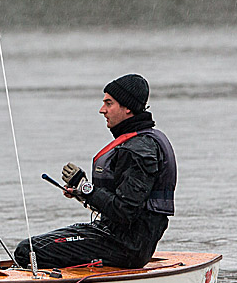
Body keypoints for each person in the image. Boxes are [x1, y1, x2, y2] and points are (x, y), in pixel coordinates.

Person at [14, 74, 176, 270]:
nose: (102, 110)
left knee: (27, 252)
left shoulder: (139, 150)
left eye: (109, 103)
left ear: (127, 108)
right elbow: (118, 203)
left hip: (127, 246)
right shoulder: (137, 142)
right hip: (114, 235)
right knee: (31, 248)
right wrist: (81, 192)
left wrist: (86, 187)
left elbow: (125, 211)